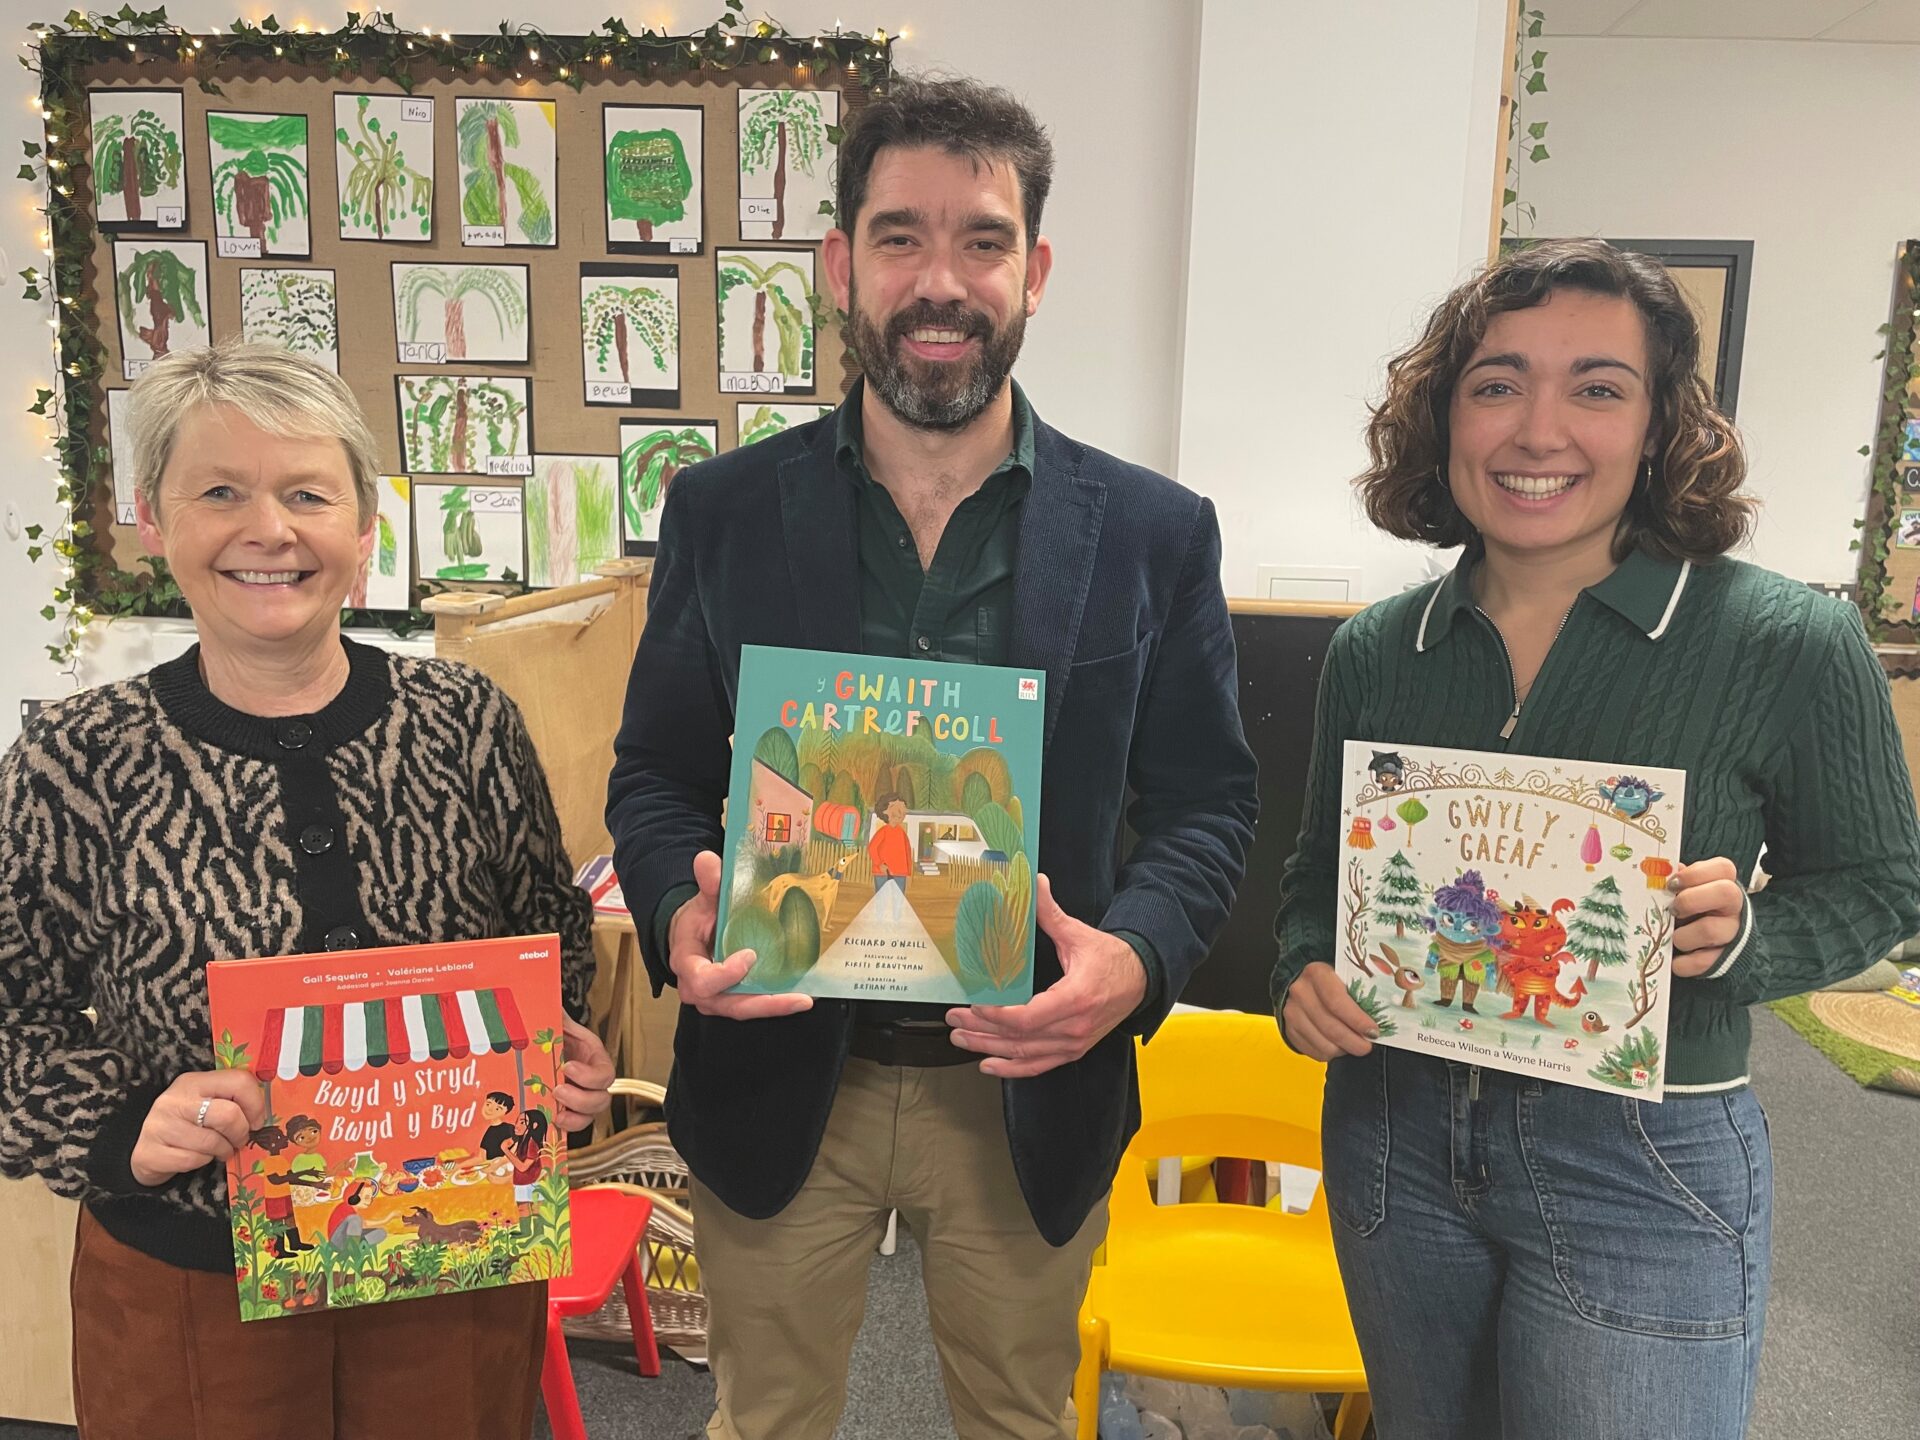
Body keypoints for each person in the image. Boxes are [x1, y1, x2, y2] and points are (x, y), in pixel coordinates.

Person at [607, 76, 1258, 1440]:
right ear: (842, 263)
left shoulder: (1151, 532)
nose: (940, 281)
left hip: (1025, 1084)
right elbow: (656, 775)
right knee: (765, 1423)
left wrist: (1130, 962)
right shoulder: (721, 513)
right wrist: (676, 912)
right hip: (782, 1070)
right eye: (901, 237)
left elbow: (1207, 806)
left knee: (1021, 1422)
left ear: (1035, 270)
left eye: (982, 240)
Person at [1272, 238, 1920, 1440]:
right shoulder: (1378, 649)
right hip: (1394, 1140)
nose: (1539, 429)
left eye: (1599, 388)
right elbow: (1319, 881)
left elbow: (1884, 887)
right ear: (1447, 417)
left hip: (1644, 1155)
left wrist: (1745, 941)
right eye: (1498, 382)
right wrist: (1304, 974)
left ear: (1664, 421)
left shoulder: (1782, 642)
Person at [0, 341, 616, 1439]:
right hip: (193, 1279)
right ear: (155, 520)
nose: (269, 530)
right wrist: (118, 1126)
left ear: (365, 528)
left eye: (307, 494)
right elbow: (11, 1018)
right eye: (220, 492)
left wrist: (559, 1055)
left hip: (449, 1255)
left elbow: (548, 934)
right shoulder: (75, 759)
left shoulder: (465, 722)